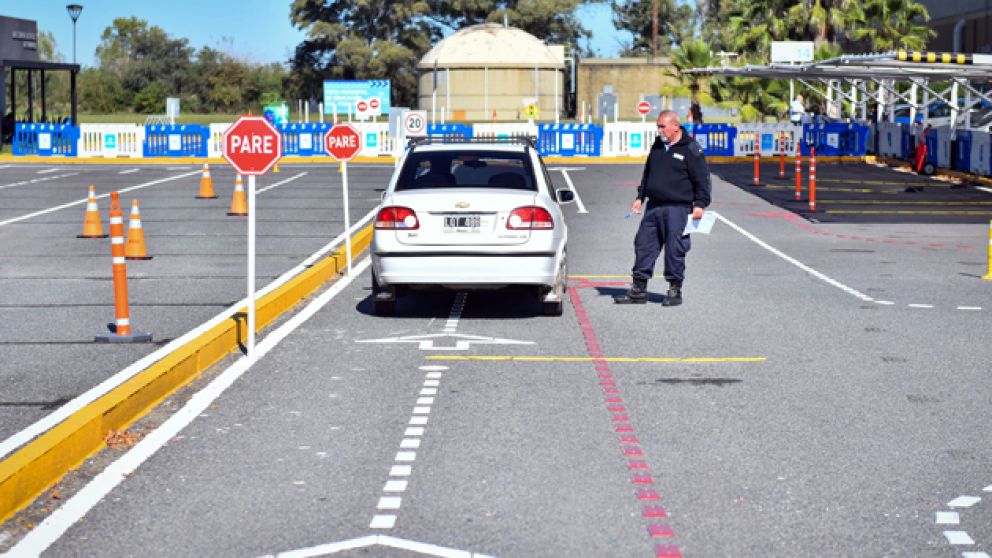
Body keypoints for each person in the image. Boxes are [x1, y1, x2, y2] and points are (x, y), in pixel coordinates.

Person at [614, 110, 712, 306]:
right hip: (654, 207)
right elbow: (648, 172)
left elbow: (702, 180)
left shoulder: (691, 149)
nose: (659, 130)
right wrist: (640, 196)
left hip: (678, 209)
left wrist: (700, 204)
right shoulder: (658, 145)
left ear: (675, 126)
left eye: (662, 126)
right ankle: (638, 289)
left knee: (675, 249)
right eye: (658, 126)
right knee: (643, 245)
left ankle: (675, 290)